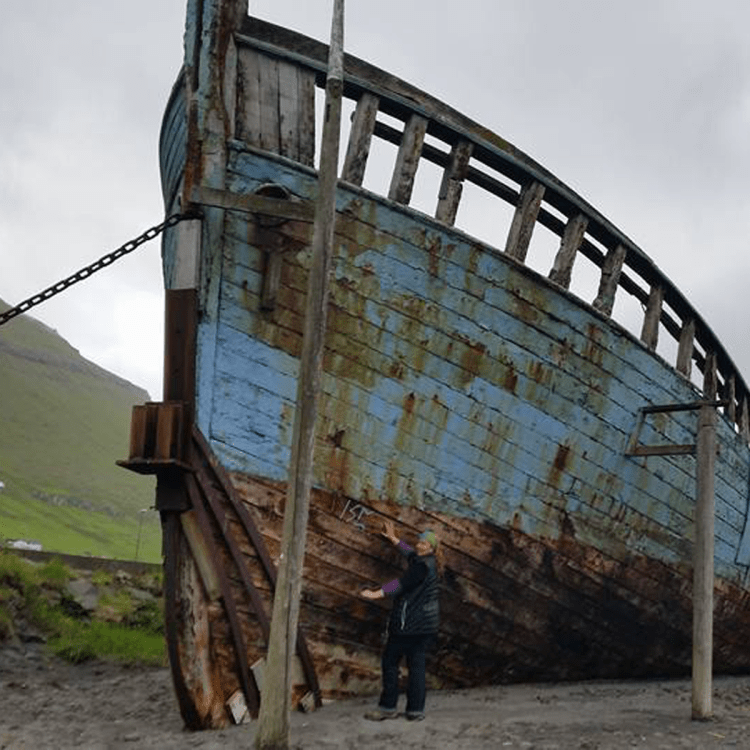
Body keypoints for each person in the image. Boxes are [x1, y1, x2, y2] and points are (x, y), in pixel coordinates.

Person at [360, 519, 440, 722]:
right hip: (425, 626)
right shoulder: (428, 562)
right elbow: (410, 554)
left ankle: (388, 707)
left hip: (409, 625)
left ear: (431, 548)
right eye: (419, 542)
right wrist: (393, 538)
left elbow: (401, 583)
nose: (419, 545)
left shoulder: (421, 568)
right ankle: (415, 711)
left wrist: (376, 593)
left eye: (423, 543)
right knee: (417, 667)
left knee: (390, 662)